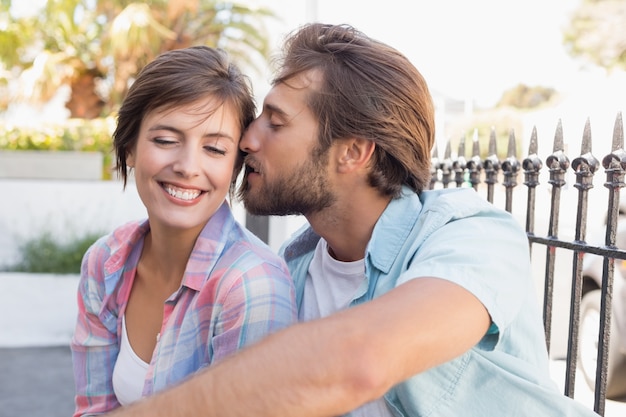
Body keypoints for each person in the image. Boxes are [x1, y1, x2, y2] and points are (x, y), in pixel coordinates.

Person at [107, 23, 600, 417]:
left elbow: (360, 360)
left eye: (275, 123)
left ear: (353, 153)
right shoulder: (287, 274)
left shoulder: (471, 236)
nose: (247, 139)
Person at [70, 46, 297, 416]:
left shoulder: (252, 284)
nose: (188, 167)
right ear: (130, 147)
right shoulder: (105, 262)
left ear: (235, 166)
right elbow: (95, 408)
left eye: (214, 149)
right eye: (165, 140)